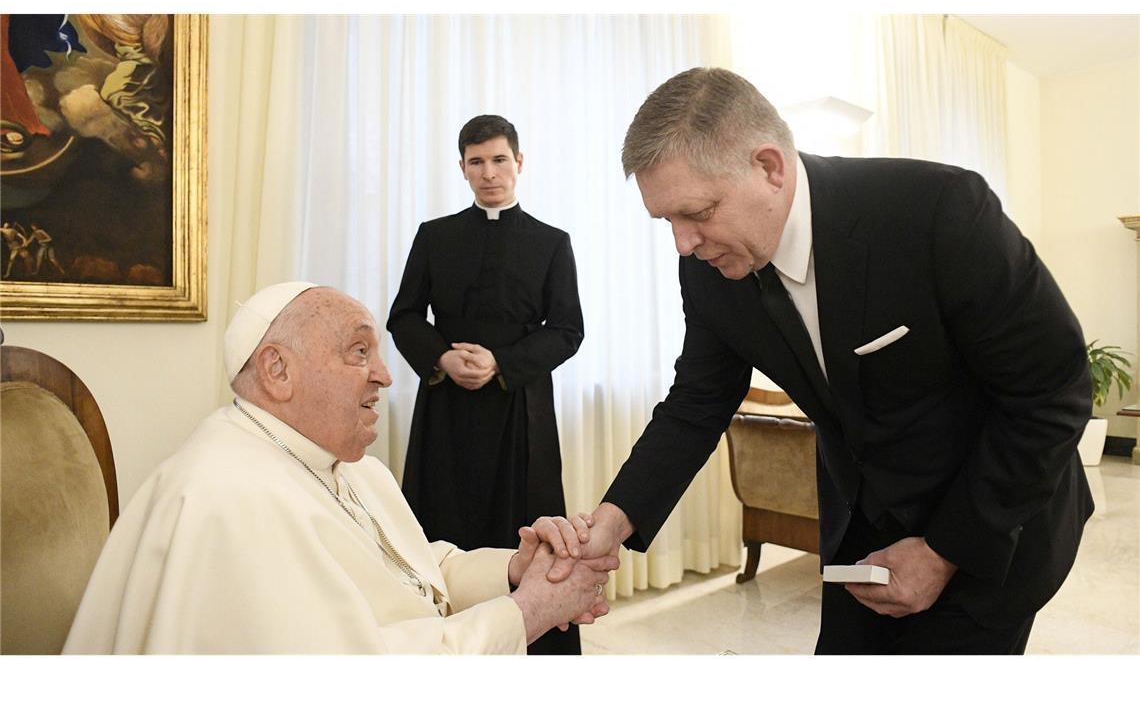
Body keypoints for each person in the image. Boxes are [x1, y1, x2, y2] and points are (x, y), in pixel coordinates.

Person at [572, 67, 1093, 654]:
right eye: (667, 220)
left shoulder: (937, 212)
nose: (683, 243)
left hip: (990, 518)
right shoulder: (709, 268)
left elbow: (1053, 393)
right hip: (862, 533)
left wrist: (945, 550)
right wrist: (614, 521)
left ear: (769, 167)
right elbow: (697, 401)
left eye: (697, 212)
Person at [64, 281, 614, 654]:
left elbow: (418, 571)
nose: (385, 375)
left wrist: (515, 571)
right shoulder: (227, 497)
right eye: (358, 352)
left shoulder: (345, 464)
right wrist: (528, 611)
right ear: (277, 370)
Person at [387, 115, 585, 654]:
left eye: (499, 160)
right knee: (440, 530)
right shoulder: (434, 237)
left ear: (519, 163)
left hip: (520, 410)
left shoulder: (552, 243)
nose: (489, 172)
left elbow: (569, 330)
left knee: (526, 535)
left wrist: (501, 362)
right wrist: (443, 357)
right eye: (477, 162)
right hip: (445, 411)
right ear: (462, 168)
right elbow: (402, 317)